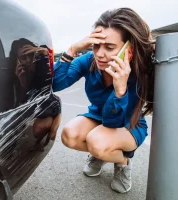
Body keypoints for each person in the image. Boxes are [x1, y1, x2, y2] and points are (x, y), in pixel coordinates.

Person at [53, 8, 155, 193]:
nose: (99, 54)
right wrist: (72, 50)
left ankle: (122, 162)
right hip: (98, 116)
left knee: (97, 142)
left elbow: (113, 121)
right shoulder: (90, 60)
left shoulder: (139, 73)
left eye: (109, 47)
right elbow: (56, 83)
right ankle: (101, 153)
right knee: (69, 135)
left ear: (128, 50)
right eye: (96, 45)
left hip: (127, 124)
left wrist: (120, 90)